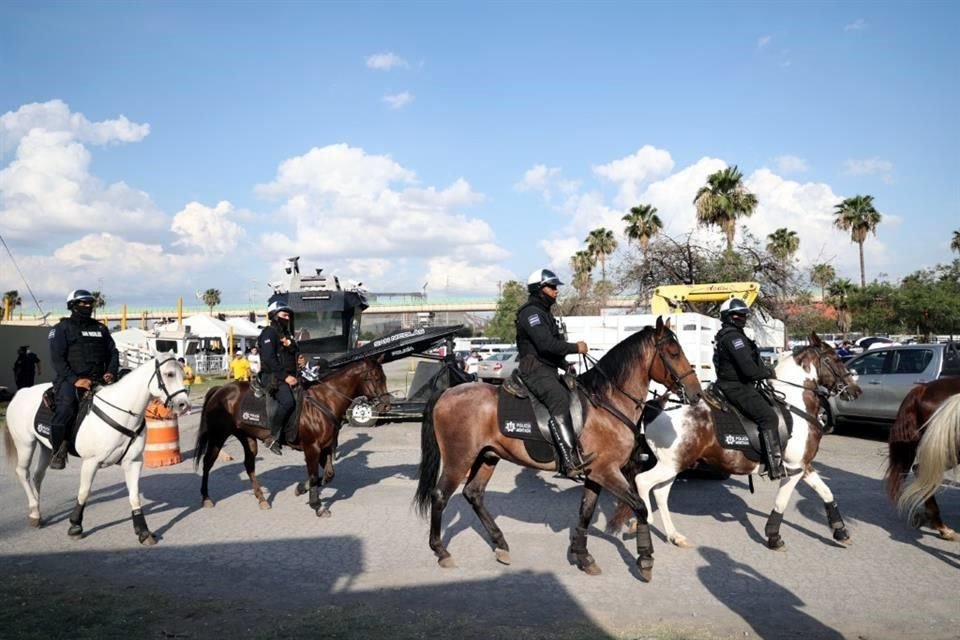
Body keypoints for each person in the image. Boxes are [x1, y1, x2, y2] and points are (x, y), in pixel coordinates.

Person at [516, 268, 591, 479]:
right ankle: (568, 461)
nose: (556, 291)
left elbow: (551, 349)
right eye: (552, 287)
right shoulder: (531, 313)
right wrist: (575, 347)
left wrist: (565, 364)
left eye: (556, 287)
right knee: (559, 399)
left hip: (546, 368)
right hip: (534, 370)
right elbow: (545, 344)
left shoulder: (544, 313)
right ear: (539, 289)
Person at [47, 289, 119, 470]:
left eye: (90, 303)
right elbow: (58, 359)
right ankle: (59, 450)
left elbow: (112, 352)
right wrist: (75, 380)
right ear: (72, 305)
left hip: (99, 380)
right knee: (65, 409)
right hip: (70, 381)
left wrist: (110, 372)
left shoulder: (101, 328)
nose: (87, 306)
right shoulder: (62, 329)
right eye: (82, 303)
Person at [713, 298, 783, 480]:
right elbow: (749, 370)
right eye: (738, 314)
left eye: (744, 314)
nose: (742, 317)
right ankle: (775, 466)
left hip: (731, 384)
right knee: (768, 417)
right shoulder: (734, 338)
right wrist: (769, 372)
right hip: (736, 387)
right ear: (728, 317)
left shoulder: (730, 335)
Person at [257, 299, 301, 455]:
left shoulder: (287, 334)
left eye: (289, 316)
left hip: (292, 375)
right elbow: (269, 359)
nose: (287, 318)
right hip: (273, 376)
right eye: (284, 315)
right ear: (274, 316)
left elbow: (294, 350)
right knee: (288, 402)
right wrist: (285, 377)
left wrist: (297, 354)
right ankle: (272, 436)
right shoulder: (268, 333)